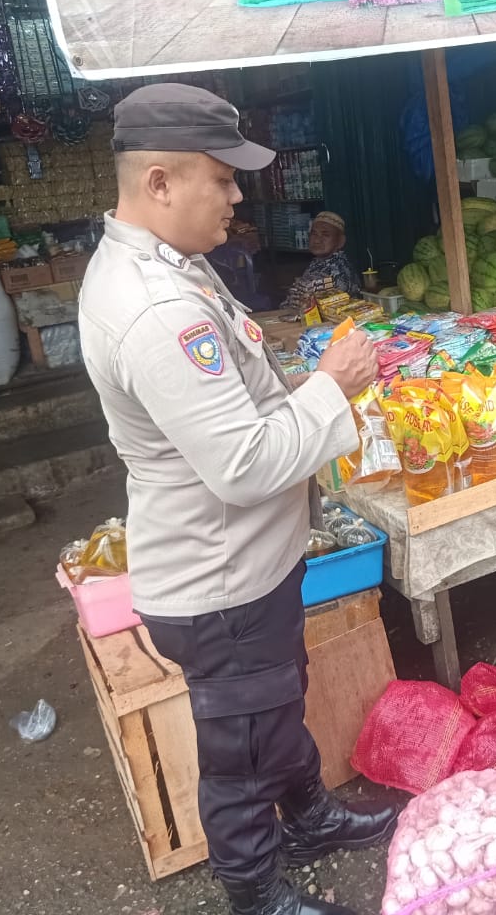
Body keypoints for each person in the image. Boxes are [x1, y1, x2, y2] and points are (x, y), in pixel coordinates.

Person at [77, 83, 395, 915]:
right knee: (241, 748)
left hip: (249, 561)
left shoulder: (167, 267)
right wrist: (332, 389)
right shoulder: (154, 309)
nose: (237, 195)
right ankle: (256, 895)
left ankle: (313, 817)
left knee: (274, 704)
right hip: (221, 580)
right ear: (158, 183)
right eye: (221, 178)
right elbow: (245, 463)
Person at [282, 211, 358, 311]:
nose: (317, 240)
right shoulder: (318, 263)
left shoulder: (339, 270)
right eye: (314, 234)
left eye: (325, 235)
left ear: (340, 241)